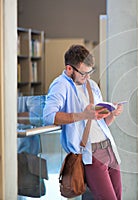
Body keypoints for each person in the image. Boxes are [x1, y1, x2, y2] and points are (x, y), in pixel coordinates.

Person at [43, 44, 123, 200]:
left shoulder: (91, 86)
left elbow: (99, 124)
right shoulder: (60, 86)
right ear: (69, 69)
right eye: (84, 74)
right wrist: (83, 115)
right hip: (91, 154)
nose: (88, 78)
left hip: (109, 148)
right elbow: (48, 116)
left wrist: (112, 114)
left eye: (90, 72)